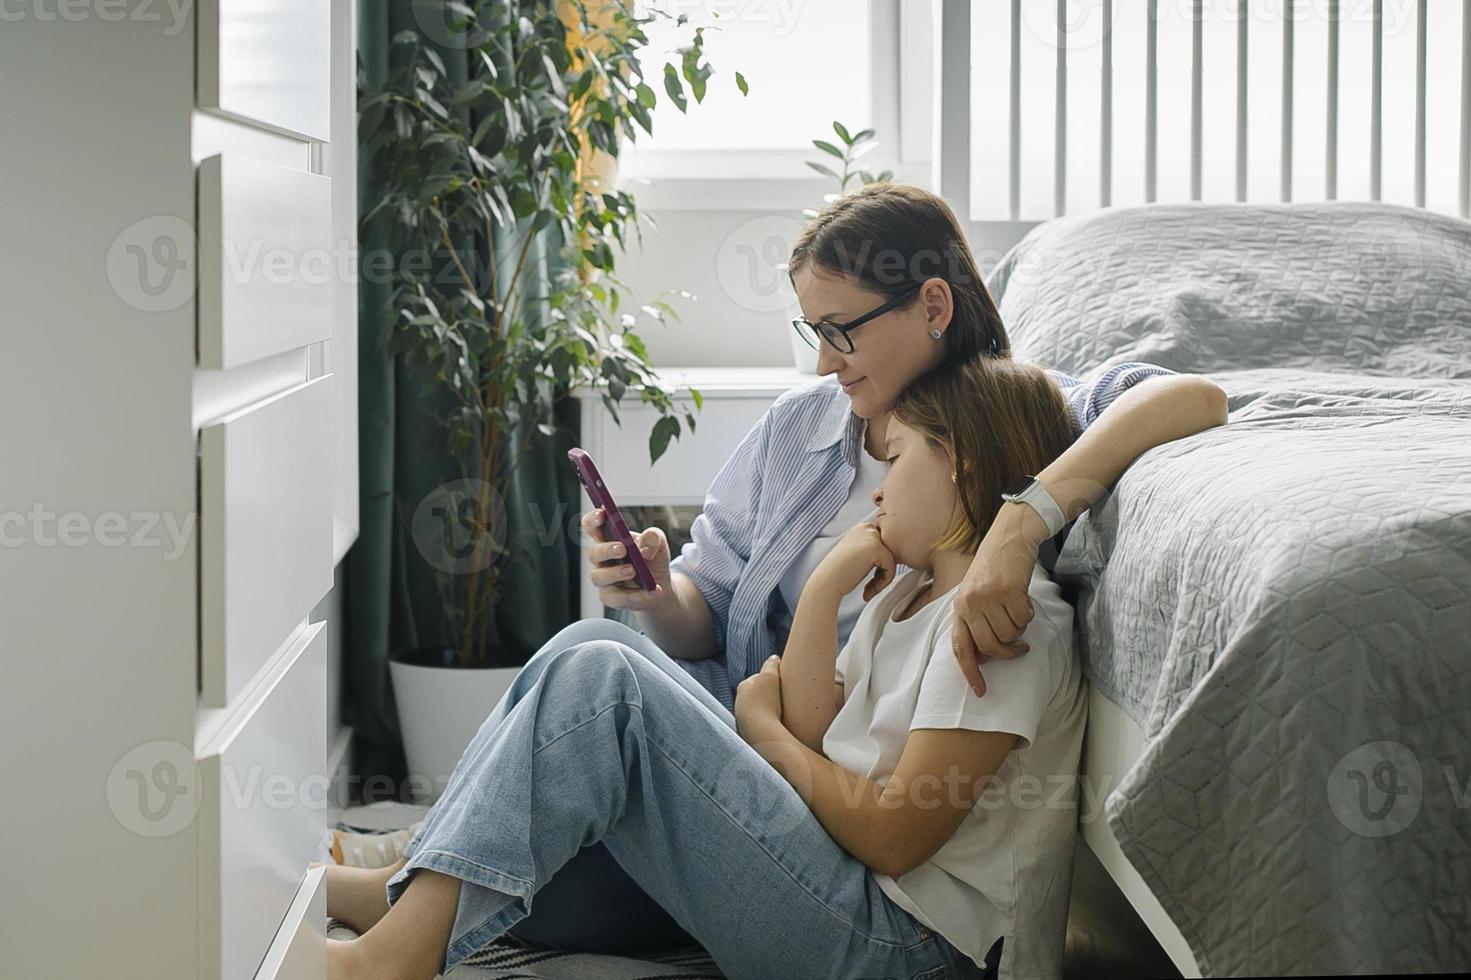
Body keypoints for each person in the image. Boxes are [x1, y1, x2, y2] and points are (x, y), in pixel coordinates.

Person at [323, 356, 1092, 980]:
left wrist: (767, 737)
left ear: (956, 463)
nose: (879, 488)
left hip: (915, 951)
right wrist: (824, 590)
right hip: (853, 889)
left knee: (604, 688)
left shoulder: (1001, 624)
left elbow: (892, 838)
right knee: (598, 646)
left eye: (895, 460)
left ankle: (389, 961)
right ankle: (406, 900)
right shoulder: (908, 596)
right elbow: (820, 733)